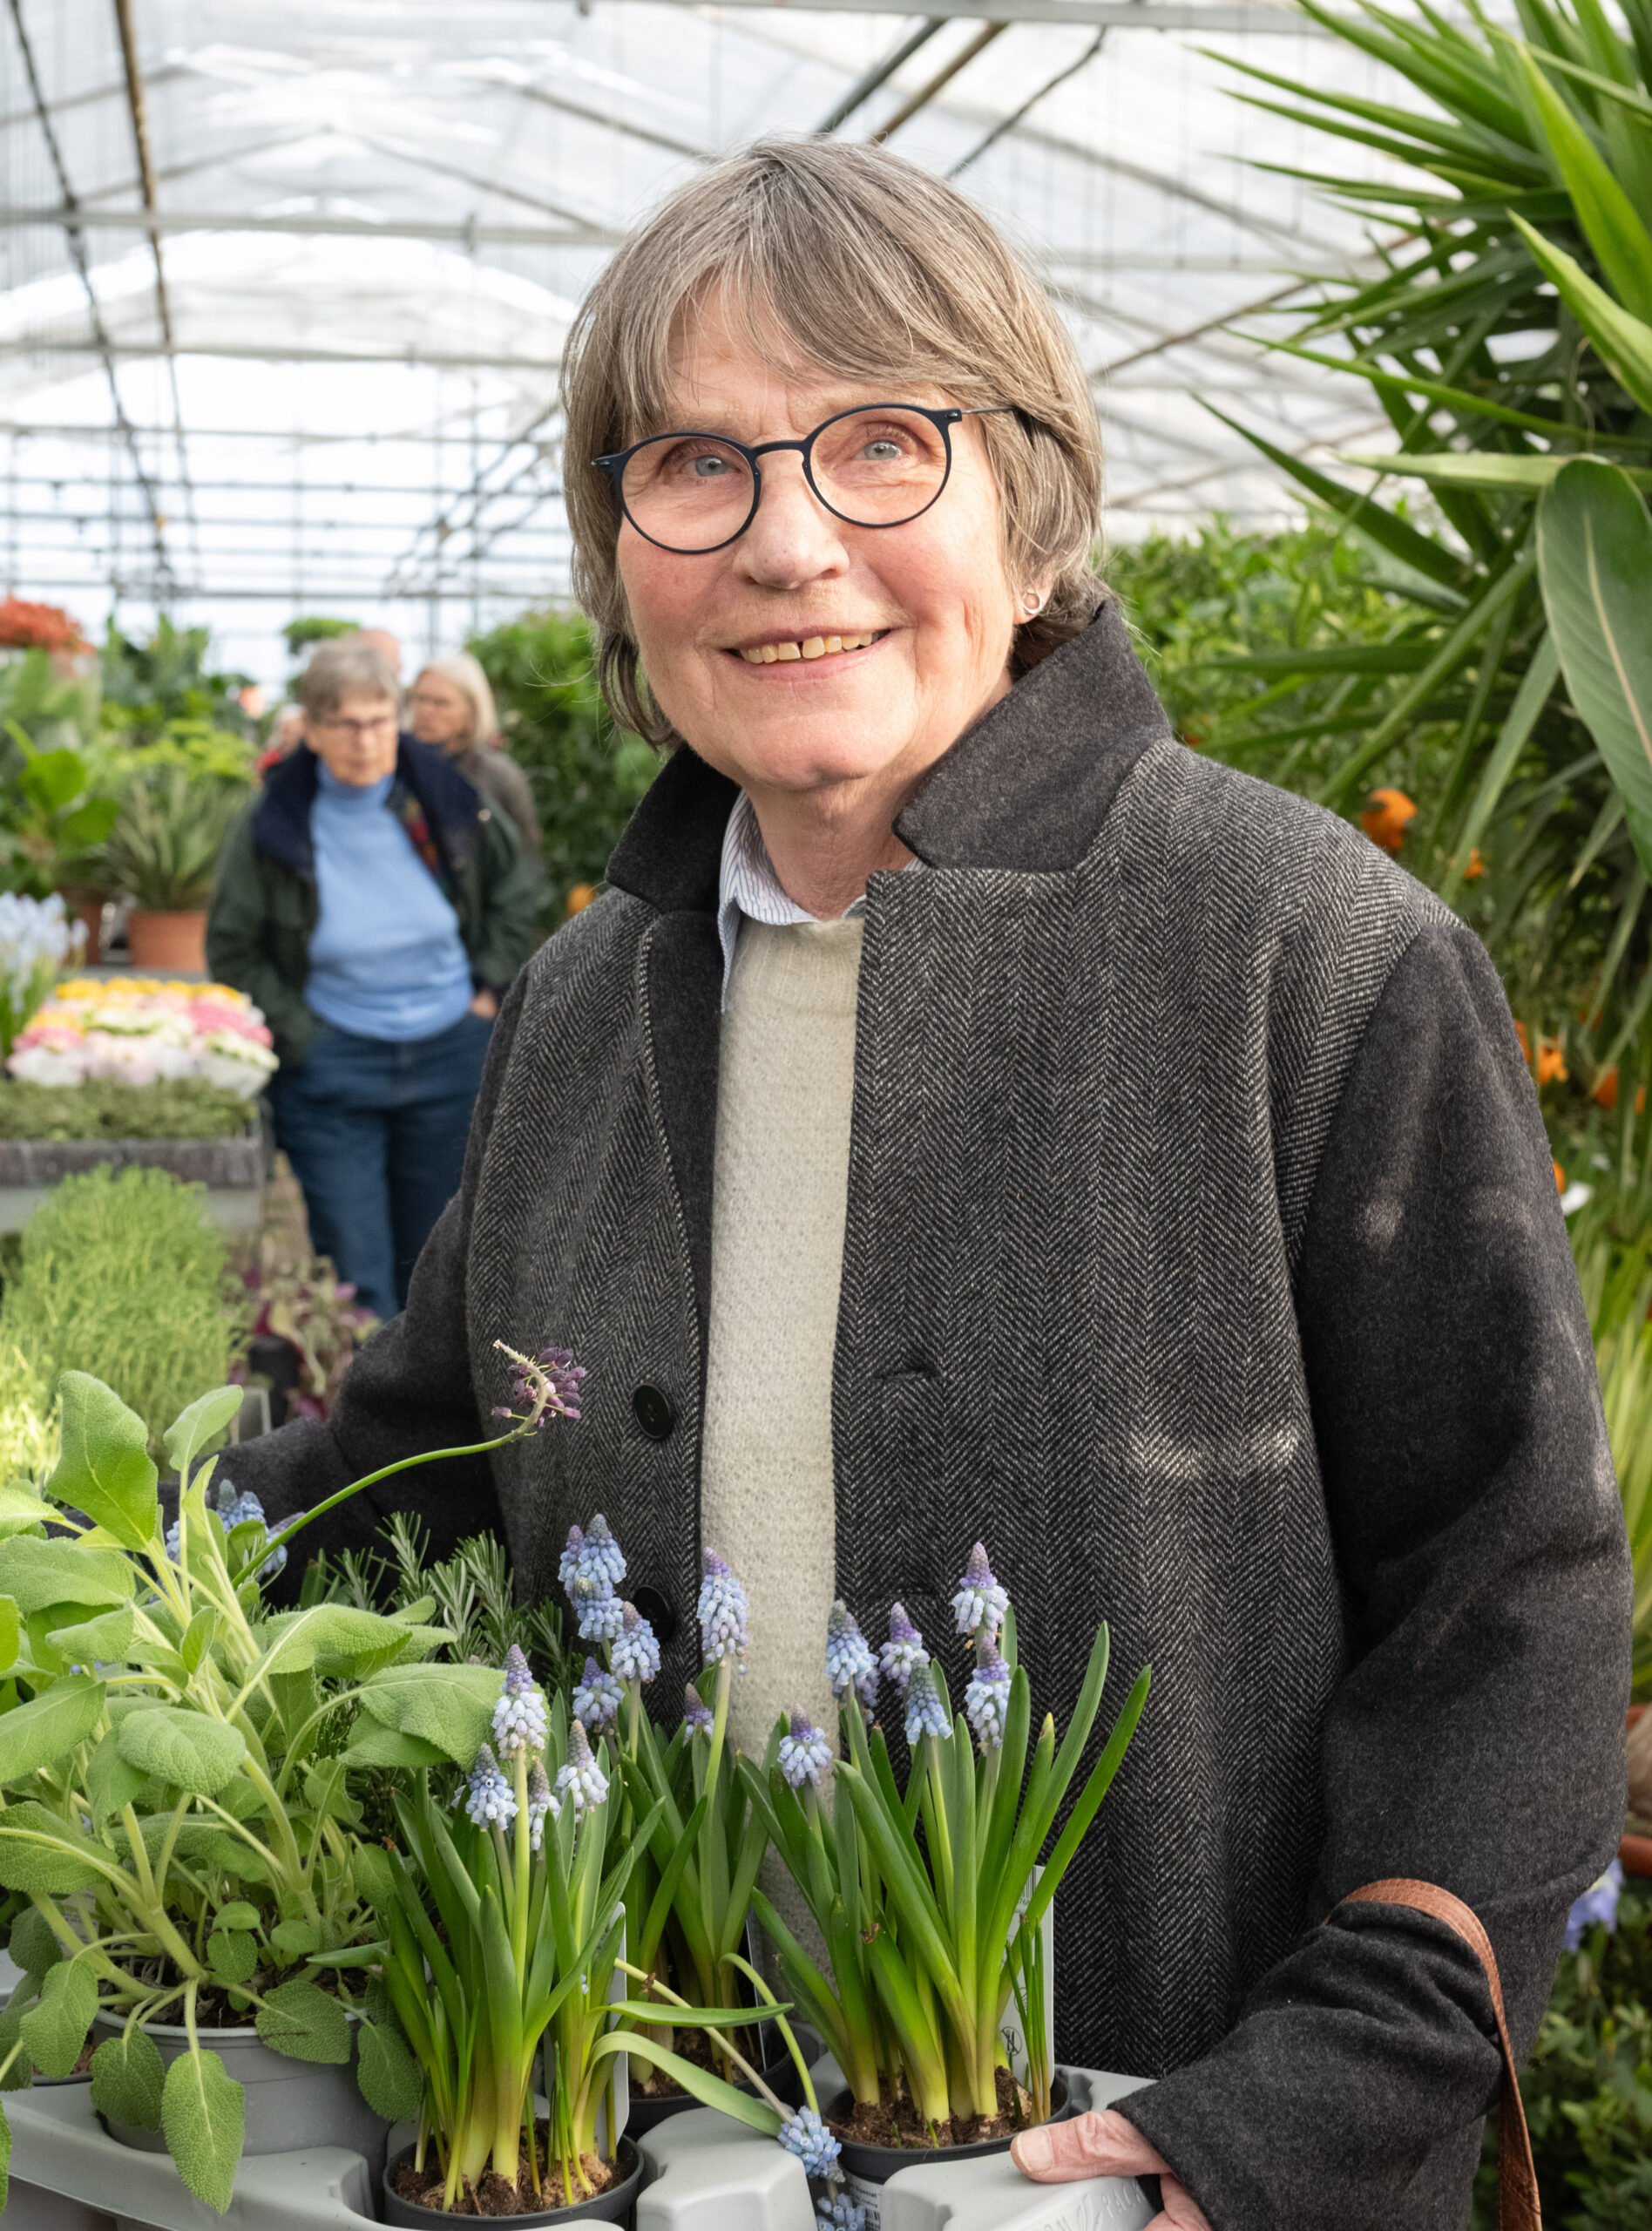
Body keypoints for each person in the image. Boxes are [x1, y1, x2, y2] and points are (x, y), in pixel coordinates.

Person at [221, 141, 1629, 2230]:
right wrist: (103, 1561)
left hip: (1138, 2175)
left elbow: (1504, 1585)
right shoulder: (594, 996)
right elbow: (417, 1462)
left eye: (882, 443)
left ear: (1029, 501)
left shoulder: (1300, 957)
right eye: (693, 465)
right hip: (653, 2133)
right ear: (621, 553)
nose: (787, 542)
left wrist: (1314, 2102)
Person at [206, 639, 538, 1320]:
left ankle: (427, 1390)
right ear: (312, 729)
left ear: (398, 718)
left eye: (380, 720)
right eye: (345, 724)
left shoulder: (444, 798)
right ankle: (361, 1385)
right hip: (335, 1067)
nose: (365, 741)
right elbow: (233, 946)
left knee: (436, 1265)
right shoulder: (275, 821)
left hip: (449, 1053)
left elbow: (516, 888)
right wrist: (302, 1037)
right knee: (357, 1273)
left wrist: (487, 994)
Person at [409, 651, 542, 853]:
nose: (425, 711)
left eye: (440, 703)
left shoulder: (499, 776)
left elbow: (526, 853)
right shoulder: (400, 767)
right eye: (420, 699)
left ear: (471, 712)